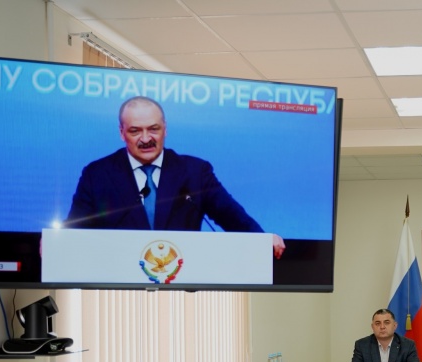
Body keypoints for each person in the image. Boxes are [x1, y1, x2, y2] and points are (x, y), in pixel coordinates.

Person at [66, 96, 285, 258]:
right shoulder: (97, 174)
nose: (146, 139)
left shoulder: (195, 172)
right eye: (135, 131)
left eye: (153, 129)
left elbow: (232, 216)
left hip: (180, 287)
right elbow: (75, 232)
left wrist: (261, 240)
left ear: (165, 129)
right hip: (119, 286)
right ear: (121, 133)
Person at [347, 309, 422, 362]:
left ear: (395, 325)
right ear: (372, 327)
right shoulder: (362, 345)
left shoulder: (408, 345)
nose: (382, 327)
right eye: (378, 323)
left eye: (387, 323)